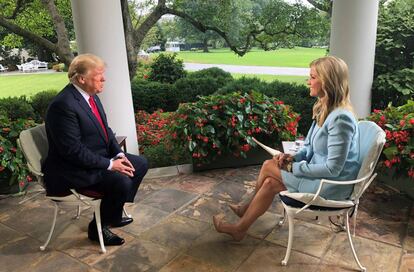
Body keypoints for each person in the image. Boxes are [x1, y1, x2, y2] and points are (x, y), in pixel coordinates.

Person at [213, 56, 360, 241]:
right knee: (270, 184)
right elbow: (308, 148)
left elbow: (333, 168)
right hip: (321, 177)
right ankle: (240, 228)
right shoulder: (325, 109)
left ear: (328, 81)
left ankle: (244, 211)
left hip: (331, 185)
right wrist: (292, 158)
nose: (309, 81)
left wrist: (292, 167)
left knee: (268, 166)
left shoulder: (341, 118)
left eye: (313, 77)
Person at [43, 54, 148, 246]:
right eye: (99, 75)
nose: (104, 79)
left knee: (140, 164)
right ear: (81, 79)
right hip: (71, 169)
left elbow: (105, 130)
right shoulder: (63, 105)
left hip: (93, 158)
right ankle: (98, 227)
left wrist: (119, 154)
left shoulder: (91, 96)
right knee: (121, 182)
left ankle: (112, 212)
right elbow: (72, 151)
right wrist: (110, 165)